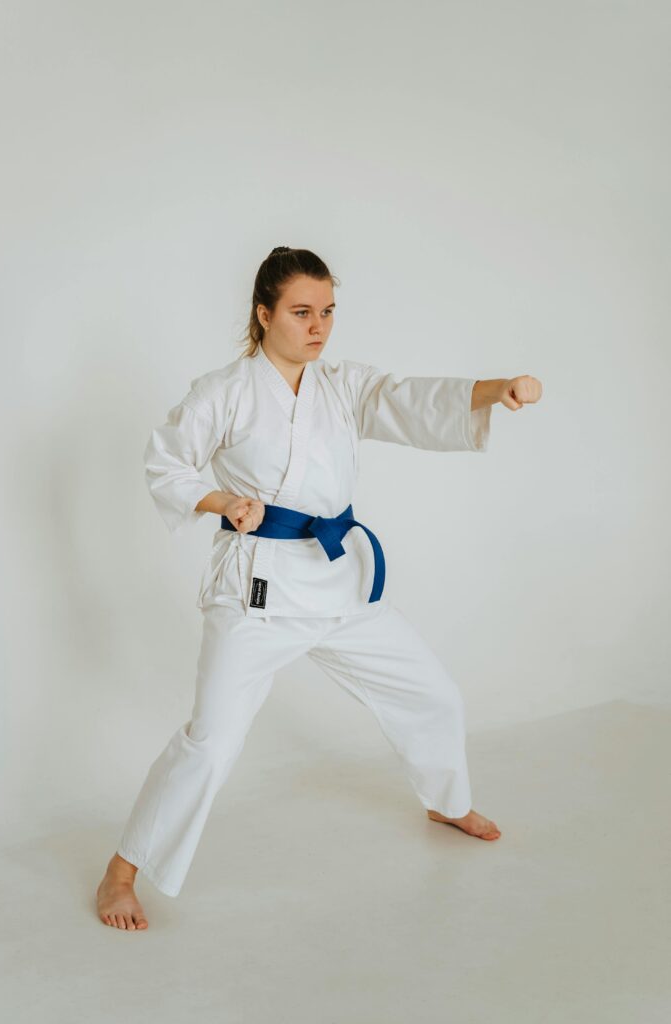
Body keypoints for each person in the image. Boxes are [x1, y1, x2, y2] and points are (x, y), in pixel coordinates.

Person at [96, 245, 542, 929]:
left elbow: (408, 399)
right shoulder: (224, 391)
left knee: (432, 693)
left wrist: (495, 388)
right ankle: (121, 871)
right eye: (302, 312)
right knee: (211, 742)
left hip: (336, 581)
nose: (318, 326)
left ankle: (444, 800)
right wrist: (221, 501)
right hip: (257, 595)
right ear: (264, 312)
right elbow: (166, 461)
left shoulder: (339, 384)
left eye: (328, 311)